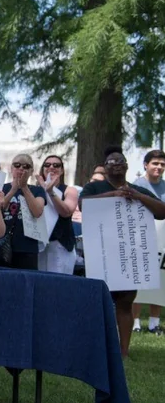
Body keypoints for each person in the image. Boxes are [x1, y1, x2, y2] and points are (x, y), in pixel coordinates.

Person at [79, 146, 165, 358]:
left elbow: (162, 212)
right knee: (99, 303)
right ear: (105, 167)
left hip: (129, 256)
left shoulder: (136, 190)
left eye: (120, 161)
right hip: (101, 256)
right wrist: (113, 195)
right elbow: (83, 205)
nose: (116, 164)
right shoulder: (94, 188)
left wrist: (137, 196)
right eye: (111, 162)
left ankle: (123, 351)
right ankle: (97, 348)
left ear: (127, 166)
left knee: (125, 303)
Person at [131, 149, 165, 334]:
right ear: (146, 165)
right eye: (155, 163)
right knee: (138, 281)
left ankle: (153, 322)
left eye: (162, 164)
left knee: (159, 279)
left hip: (162, 242)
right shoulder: (136, 185)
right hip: (140, 239)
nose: (159, 167)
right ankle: (136, 322)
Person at [0, 155, 46, 270]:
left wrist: (24, 187)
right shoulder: (2, 188)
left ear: (31, 171)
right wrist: (13, 190)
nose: (21, 168)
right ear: (11, 168)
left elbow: (37, 212)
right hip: (2, 244)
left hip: (27, 247)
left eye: (26, 166)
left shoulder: (37, 190)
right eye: (17, 165)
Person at [36, 155, 78, 275]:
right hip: (39, 246)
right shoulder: (36, 190)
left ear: (62, 170)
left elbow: (66, 211)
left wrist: (51, 192)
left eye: (56, 165)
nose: (51, 167)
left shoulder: (69, 190)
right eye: (47, 165)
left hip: (61, 245)